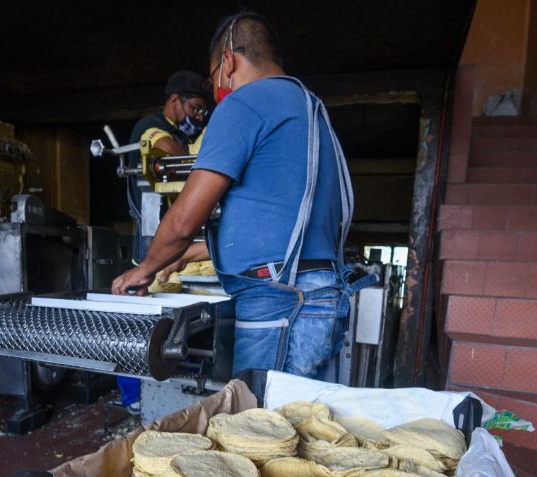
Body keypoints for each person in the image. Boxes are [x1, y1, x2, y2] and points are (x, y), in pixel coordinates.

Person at [112, 12, 357, 379]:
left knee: (257, 428)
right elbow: (275, 227)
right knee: (304, 424)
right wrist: (182, 257)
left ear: (228, 61)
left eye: (212, 81)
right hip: (323, 299)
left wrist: (144, 269)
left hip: (277, 304)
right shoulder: (310, 108)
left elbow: (183, 220)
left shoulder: (244, 104)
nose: (215, 96)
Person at [117, 71, 210, 415]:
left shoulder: (191, 135)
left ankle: (170, 388)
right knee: (138, 321)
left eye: (203, 113)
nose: (199, 118)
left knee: (174, 326)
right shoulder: (152, 127)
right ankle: (135, 399)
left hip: (175, 245)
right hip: (155, 240)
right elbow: (166, 149)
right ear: (175, 101)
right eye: (196, 109)